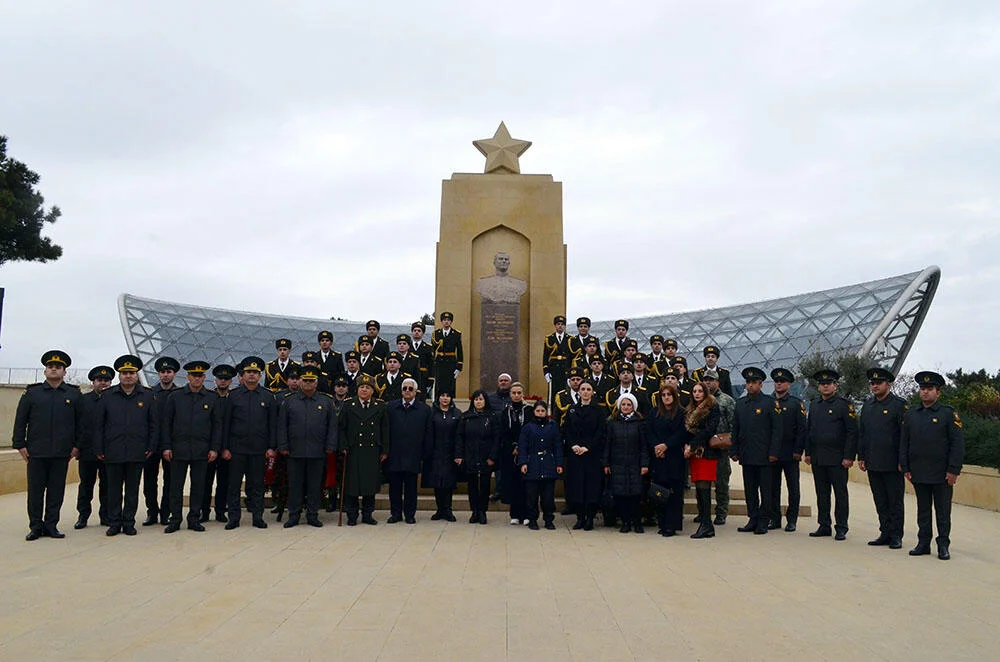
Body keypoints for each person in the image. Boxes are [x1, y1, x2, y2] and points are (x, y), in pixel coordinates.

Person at [13, 350, 85, 541]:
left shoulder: (73, 394)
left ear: (64, 372)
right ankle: (36, 527)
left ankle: (51, 525)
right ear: (45, 371)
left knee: (56, 492)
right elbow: (21, 421)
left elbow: (81, 424)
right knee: (35, 492)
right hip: (36, 452)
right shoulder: (32, 393)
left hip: (62, 452)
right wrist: (20, 445)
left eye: (58, 367)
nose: (54, 370)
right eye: (50, 367)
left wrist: (77, 446)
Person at [901, 371, 965, 560]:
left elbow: (957, 443)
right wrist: (905, 467)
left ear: (938, 393)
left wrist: (954, 470)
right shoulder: (912, 414)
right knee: (923, 510)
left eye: (930, 389)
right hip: (919, 471)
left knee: (943, 511)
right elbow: (904, 442)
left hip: (942, 473)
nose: (925, 392)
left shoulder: (948, 413)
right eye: (923, 389)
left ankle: (943, 545)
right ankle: (923, 543)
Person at [92, 355, 157, 536]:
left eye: (131, 373)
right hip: (113, 451)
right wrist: (99, 448)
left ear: (136, 375)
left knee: (132, 490)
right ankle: (114, 522)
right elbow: (99, 425)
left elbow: (154, 425)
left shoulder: (147, 395)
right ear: (119, 376)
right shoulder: (107, 396)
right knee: (113, 490)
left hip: (137, 451)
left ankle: (128, 522)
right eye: (124, 373)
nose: (128, 376)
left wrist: (151, 446)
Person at [161, 361, 222, 533]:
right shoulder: (175, 396)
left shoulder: (211, 398)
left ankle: (194, 518)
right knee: (175, 487)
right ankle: (175, 519)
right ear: (187, 377)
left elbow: (217, 426)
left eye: (200, 375)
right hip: (178, 449)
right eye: (193, 375)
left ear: (204, 377)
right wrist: (166, 446)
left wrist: (214, 448)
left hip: (202, 450)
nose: (197, 378)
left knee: (198, 486)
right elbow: (167, 424)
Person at [277, 365, 338, 528]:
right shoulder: (289, 401)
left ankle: (312, 515)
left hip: (317, 451)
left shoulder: (326, 401)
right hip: (294, 451)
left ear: (316, 383)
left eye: (311, 381)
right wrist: (283, 445)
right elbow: (282, 426)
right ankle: (294, 515)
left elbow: (332, 426)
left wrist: (330, 445)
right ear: (300, 381)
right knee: (295, 485)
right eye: (305, 381)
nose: (308, 384)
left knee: (314, 485)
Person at [221, 357, 276, 530]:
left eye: (255, 373)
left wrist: (271, 447)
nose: (252, 376)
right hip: (236, 449)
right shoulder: (234, 395)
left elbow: (272, 425)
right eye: (248, 372)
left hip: (259, 450)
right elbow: (226, 424)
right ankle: (234, 518)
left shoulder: (268, 396)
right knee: (234, 485)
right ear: (242, 376)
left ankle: (258, 517)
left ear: (260, 376)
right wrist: (225, 447)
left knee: (257, 485)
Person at [805, 369, 858, 541]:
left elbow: (852, 432)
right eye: (822, 384)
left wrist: (849, 456)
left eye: (829, 383)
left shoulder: (844, 405)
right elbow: (810, 431)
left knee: (840, 493)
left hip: (837, 458)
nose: (825, 386)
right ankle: (824, 524)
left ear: (835, 385)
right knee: (822, 493)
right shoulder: (815, 405)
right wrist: (808, 453)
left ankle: (841, 527)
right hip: (819, 457)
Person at [858, 367, 908, 549]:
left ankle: (896, 535)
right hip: (873, 461)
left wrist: (903, 461)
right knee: (880, 500)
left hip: (893, 463)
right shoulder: (868, 406)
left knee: (895, 501)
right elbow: (863, 433)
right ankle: (885, 532)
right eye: (872, 383)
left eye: (878, 383)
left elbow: (905, 437)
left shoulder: (899, 405)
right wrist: (861, 456)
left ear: (888, 384)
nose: (875, 386)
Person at [731, 367, 781, 535]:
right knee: (750, 489)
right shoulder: (740, 404)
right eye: (748, 382)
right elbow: (735, 429)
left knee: (765, 490)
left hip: (765, 456)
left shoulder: (769, 403)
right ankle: (752, 518)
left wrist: (774, 452)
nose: (750, 385)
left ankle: (763, 520)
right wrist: (734, 450)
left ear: (761, 384)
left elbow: (777, 430)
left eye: (754, 382)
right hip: (747, 454)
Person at [338, 374, 389, 526]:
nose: (364, 390)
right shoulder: (348, 405)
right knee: (352, 485)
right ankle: (352, 514)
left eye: (368, 387)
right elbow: (341, 428)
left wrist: (385, 450)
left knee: (369, 484)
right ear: (357, 389)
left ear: (373, 391)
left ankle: (367, 514)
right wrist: (343, 446)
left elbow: (385, 429)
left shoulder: (379, 406)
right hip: (353, 450)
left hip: (372, 451)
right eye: (362, 387)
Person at [385, 378, 432, 524]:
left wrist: (425, 453)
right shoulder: (391, 407)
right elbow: (386, 431)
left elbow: (428, 433)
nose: (407, 391)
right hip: (394, 454)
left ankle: (410, 514)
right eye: (404, 388)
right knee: (394, 488)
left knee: (411, 488)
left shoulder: (424, 409)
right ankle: (396, 513)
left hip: (414, 455)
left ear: (415, 391)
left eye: (410, 389)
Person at [561, 381, 606, 530]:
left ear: (592, 392)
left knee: (591, 487)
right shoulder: (572, 409)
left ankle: (590, 518)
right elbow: (567, 429)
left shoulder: (598, 410)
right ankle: (580, 517)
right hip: (576, 453)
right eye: (583, 389)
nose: (585, 392)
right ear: (578, 392)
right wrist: (573, 445)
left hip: (592, 454)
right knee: (577, 486)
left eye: (588, 389)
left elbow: (600, 431)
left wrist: (588, 447)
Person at [603, 393, 649, 533]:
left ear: (633, 407)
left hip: (635, 463)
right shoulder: (613, 423)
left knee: (636, 495)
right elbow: (608, 445)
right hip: (618, 463)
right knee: (621, 495)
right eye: (623, 404)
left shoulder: (640, 423)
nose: (626, 407)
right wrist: (606, 463)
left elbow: (644, 446)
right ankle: (625, 522)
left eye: (629, 405)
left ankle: (637, 522)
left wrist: (644, 464)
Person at [646, 384, 688, 536]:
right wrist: (657, 447)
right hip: (659, 457)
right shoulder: (654, 412)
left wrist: (666, 446)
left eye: (669, 394)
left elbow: (682, 433)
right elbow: (648, 431)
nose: (666, 397)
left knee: (674, 493)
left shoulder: (682, 413)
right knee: (660, 492)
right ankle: (662, 523)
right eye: (663, 395)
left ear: (674, 396)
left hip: (674, 456)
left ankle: (672, 525)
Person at [75, 365, 113, 529]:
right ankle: (83, 516)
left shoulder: (115, 399)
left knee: (107, 486)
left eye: (106, 380)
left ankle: (105, 516)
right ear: (93, 382)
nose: (103, 383)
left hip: (109, 452)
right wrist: (77, 446)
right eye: (99, 380)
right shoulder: (83, 401)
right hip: (87, 452)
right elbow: (77, 426)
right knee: (86, 486)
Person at [143, 356, 180, 526]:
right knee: (150, 481)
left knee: (170, 481)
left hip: (172, 445)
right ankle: (152, 512)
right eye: (163, 372)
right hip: (152, 445)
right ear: (158, 374)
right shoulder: (150, 394)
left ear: (174, 374)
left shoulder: (180, 394)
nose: (166, 375)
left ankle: (166, 512)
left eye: (169, 372)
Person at [770, 368, 807, 531]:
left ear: (789, 385)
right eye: (777, 381)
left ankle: (792, 519)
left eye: (782, 381)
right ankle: (774, 518)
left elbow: (802, 429)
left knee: (793, 488)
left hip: (790, 453)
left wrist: (798, 451)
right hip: (772, 453)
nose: (779, 384)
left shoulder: (795, 404)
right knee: (772, 487)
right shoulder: (768, 402)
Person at [518, 401, 564, 530]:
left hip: (548, 464)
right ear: (534, 412)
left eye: (542, 411)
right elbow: (523, 447)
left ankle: (549, 519)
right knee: (532, 496)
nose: (540, 413)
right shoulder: (528, 427)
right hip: (533, 464)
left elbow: (557, 446)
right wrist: (523, 463)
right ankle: (532, 519)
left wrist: (559, 463)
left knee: (548, 497)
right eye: (538, 411)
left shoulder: (552, 426)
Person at [455, 389, 498, 524]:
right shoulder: (465, 417)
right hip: (470, 456)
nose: (478, 402)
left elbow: (497, 439)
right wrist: (459, 455)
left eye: (481, 399)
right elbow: (460, 437)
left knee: (485, 486)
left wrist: (492, 456)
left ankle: (482, 511)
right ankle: (474, 511)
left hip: (486, 457)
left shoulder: (492, 416)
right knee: (472, 486)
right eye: (476, 399)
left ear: (485, 401)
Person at [685, 382, 721, 539]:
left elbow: (709, 430)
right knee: (699, 488)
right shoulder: (690, 409)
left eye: (700, 391)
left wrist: (692, 445)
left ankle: (706, 524)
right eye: (694, 391)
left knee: (704, 487)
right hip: (695, 454)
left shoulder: (712, 407)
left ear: (705, 392)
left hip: (706, 453)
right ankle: (705, 523)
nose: (697, 394)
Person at [202, 363, 236, 523]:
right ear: (215, 380)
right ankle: (204, 511)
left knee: (224, 483)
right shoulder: (209, 397)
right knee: (205, 482)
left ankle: (221, 511)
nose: (223, 381)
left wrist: (226, 448)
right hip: (209, 448)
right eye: (220, 378)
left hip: (227, 449)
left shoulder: (234, 398)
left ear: (231, 381)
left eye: (226, 379)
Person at [701, 369, 734, 526]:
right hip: (703, 449)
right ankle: (703, 512)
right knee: (703, 483)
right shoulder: (700, 399)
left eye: (711, 380)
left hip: (721, 448)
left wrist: (731, 443)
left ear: (718, 382)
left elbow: (734, 425)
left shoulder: (727, 401)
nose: (708, 382)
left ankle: (721, 513)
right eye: (706, 380)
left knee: (721, 482)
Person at [422, 390, 461, 521]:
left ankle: (448, 509)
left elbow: (459, 435)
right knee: (437, 482)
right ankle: (439, 509)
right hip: (435, 452)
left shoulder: (457, 413)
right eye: (442, 396)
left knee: (449, 482)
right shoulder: (431, 413)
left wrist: (458, 453)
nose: (445, 398)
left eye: (448, 395)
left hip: (450, 453)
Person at [499, 382, 532, 524]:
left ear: (522, 394)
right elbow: (503, 432)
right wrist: (512, 446)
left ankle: (526, 514)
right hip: (510, 452)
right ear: (510, 394)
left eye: (519, 393)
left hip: (527, 451)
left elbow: (531, 430)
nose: (517, 395)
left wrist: (522, 447)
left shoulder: (529, 410)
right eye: (514, 393)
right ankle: (515, 514)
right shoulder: (505, 411)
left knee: (525, 483)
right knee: (513, 483)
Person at [543, 315, 575, 403]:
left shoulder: (570, 339)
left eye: (562, 324)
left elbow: (572, 357)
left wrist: (571, 371)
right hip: (554, 369)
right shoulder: (549, 338)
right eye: (558, 324)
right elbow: (545, 356)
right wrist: (546, 371)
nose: (560, 326)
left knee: (565, 392)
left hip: (566, 368)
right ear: (555, 325)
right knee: (554, 393)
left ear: (565, 326)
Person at [432, 312, 463, 399]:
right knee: (439, 385)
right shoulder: (436, 334)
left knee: (450, 386)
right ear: (441, 321)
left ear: (451, 322)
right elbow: (433, 350)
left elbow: (459, 350)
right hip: (439, 363)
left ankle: (451, 405)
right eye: (444, 320)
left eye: (448, 320)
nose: (446, 322)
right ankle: (437, 405)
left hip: (451, 363)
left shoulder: (456, 334)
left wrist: (459, 366)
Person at [410, 321, 435, 398]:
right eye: (415, 331)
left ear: (423, 333)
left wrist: (431, 379)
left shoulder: (428, 347)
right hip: (410, 375)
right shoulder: (407, 346)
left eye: (419, 331)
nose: (417, 332)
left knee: (421, 398)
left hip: (423, 377)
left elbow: (431, 364)